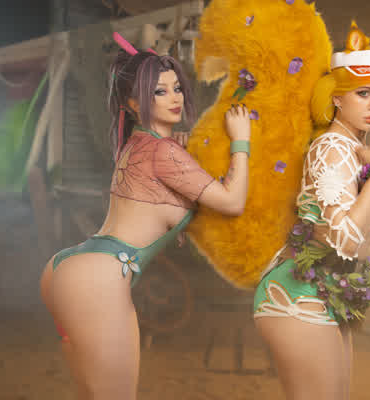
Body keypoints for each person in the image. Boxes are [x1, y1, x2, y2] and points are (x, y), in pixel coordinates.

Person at [39, 32, 251, 399]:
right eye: (159, 92)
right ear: (134, 103)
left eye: (176, 88)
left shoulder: (135, 144)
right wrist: (241, 141)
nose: (175, 98)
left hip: (67, 270)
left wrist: (186, 146)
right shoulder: (165, 154)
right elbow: (233, 202)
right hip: (99, 279)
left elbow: (170, 174)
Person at [253, 23, 370, 399]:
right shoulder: (331, 147)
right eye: (363, 93)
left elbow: (364, 246)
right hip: (296, 293)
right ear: (337, 98)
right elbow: (345, 242)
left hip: (326, 293)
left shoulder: (355, 150)